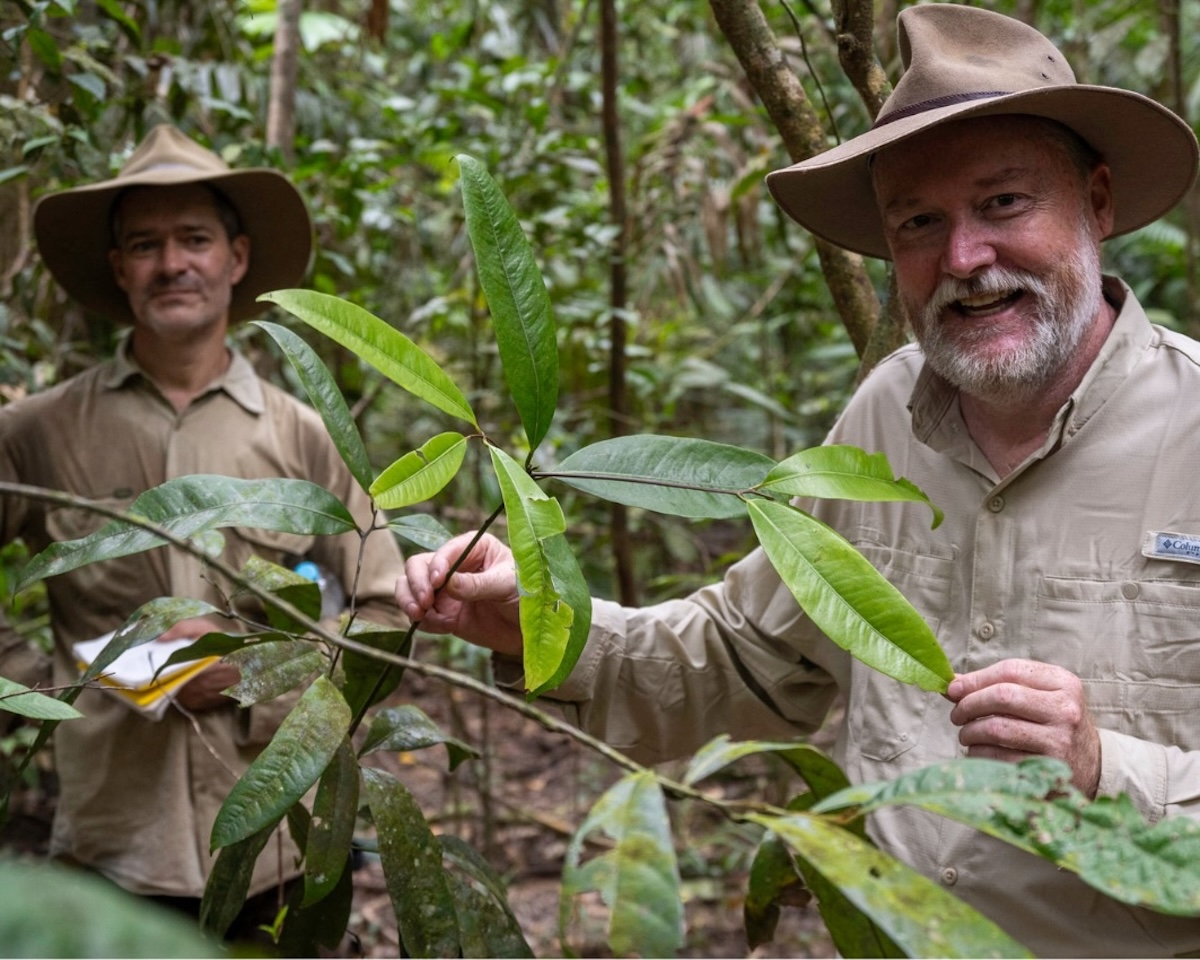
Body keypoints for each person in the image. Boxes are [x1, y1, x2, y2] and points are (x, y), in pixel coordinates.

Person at [395, 5, 1200, 956]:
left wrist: (1105, 767)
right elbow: (746, 655)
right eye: (919, 222)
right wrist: (538, 622)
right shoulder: (884, 414)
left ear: (1097, 203)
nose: (964, 260)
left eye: (1004, 204)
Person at [0, 124, 405, 935]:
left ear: (237, 258)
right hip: (111, 843)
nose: (171, 263)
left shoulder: (303, 436)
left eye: (194, 239)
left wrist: (258, 677)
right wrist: (40, 690)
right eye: (144, 245)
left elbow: (388, 611)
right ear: (119, 268)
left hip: (275, 841)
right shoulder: (40, 430)